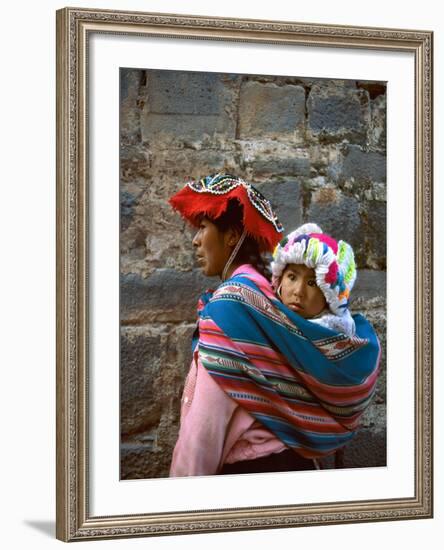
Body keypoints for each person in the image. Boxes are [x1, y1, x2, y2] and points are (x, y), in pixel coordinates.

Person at [168, 174, 381, 477]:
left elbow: (204, 429)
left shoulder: (232, 309)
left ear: (231, 236)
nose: (195, 239)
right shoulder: (267, 300)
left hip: (251, 477)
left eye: (203, 227)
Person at [270, 222, 357, 337]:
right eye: (292, 277)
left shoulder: (343, 336)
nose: (298, 291)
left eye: (312, 283)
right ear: (279, 279)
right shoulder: (261, 318)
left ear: (330, 298)